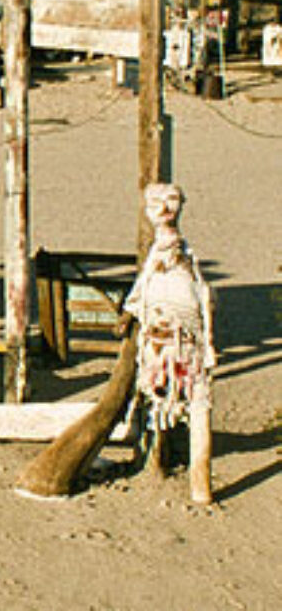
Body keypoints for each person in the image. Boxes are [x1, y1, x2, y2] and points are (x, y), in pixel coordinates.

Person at [123, 182, 214, 504]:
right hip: (157, 343)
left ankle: (201, 485)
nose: (163, 208)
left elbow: (203, 297)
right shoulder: (156, 257)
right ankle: (157, 457)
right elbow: (142, 290)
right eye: (155, 203)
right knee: (157, 400)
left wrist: (208, 343)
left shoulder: (186, 257)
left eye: (171, 200)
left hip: (188, 343)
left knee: (198, 404)